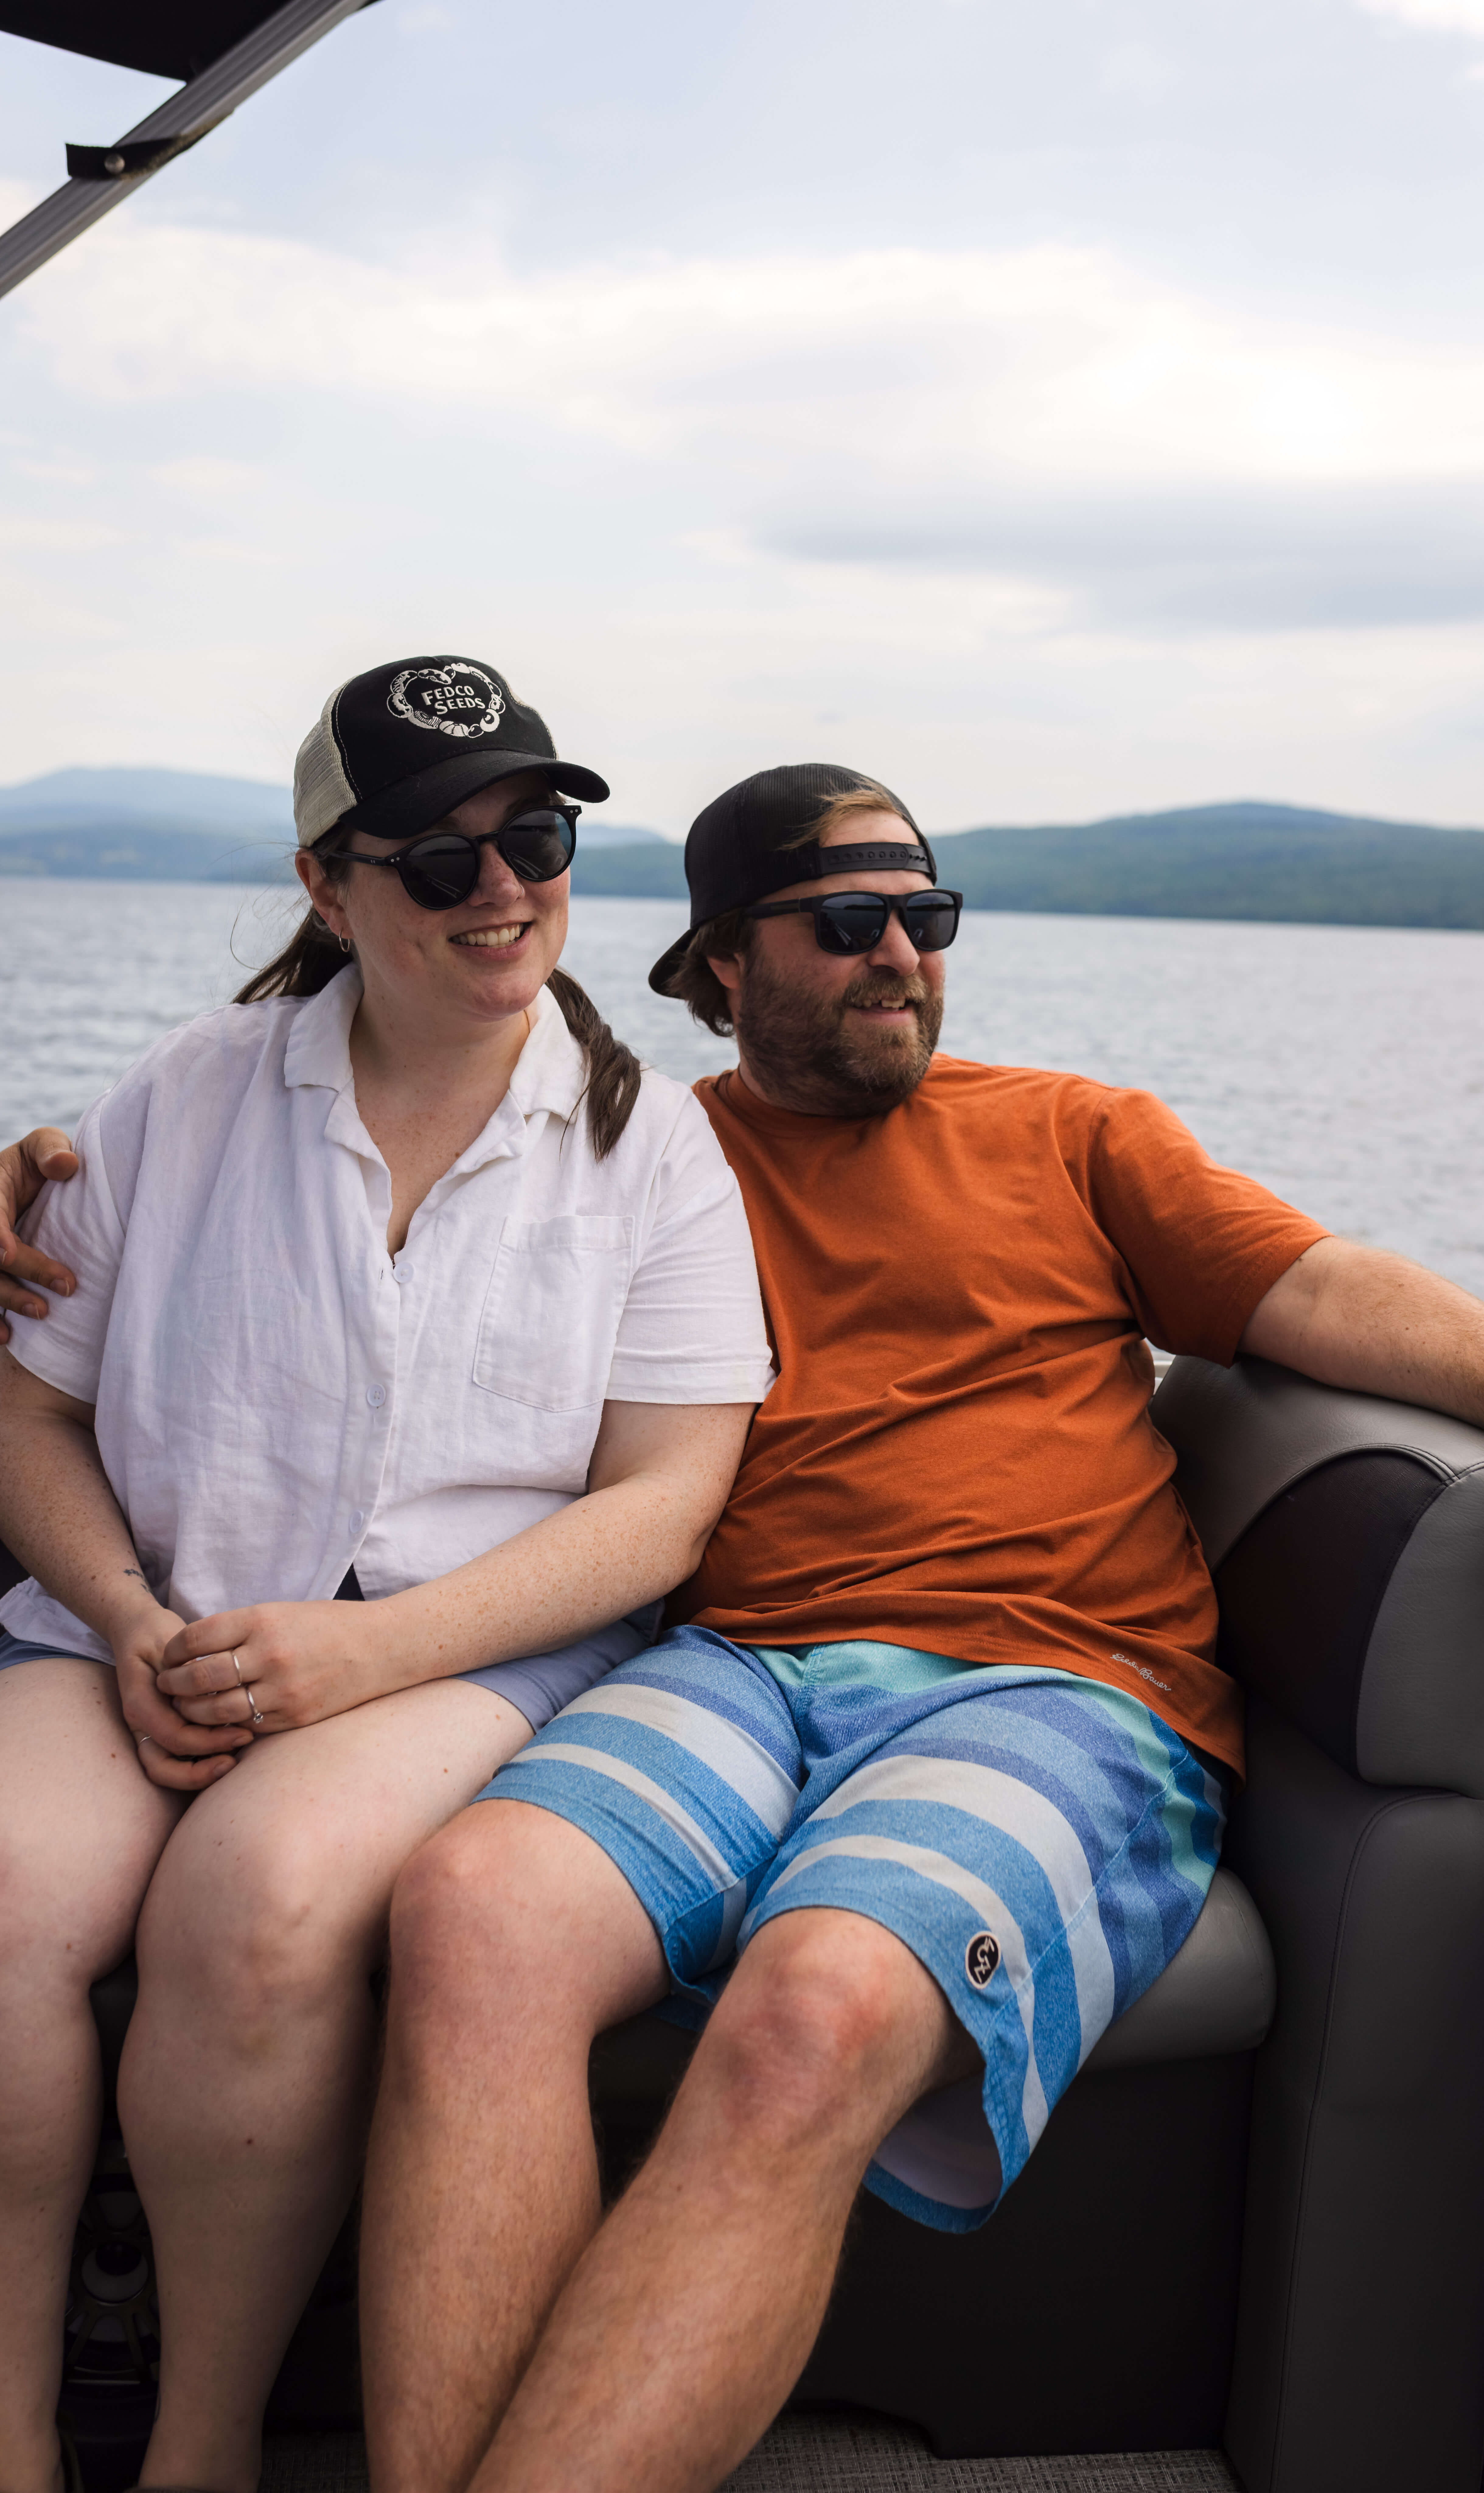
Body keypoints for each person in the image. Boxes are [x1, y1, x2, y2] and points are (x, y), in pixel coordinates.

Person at [6, 765, 1484, 2493]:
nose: (901, 958)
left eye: (926, 918)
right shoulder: (630, 1150)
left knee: (810, 2010)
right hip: (728, 1667)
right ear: (721, 964)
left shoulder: (1074, 1135)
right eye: (847, 922)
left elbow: (1319, 1289)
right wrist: (39, 1173)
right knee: (474, 1913)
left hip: (1060, 1683)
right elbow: (303, 1184)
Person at [0, 656, 775, 2493]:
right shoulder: (175, 1104)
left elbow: (662, 1507)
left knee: (260, 1905)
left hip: (460, 1657)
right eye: (438, 862)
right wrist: (128, 1623)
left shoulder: (646, 1146)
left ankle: (202, 2451)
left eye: (538, 837)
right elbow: (29, 1419)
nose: (504, 889)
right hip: (149, 1623)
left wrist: (366, 1663)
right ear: (325, 888)